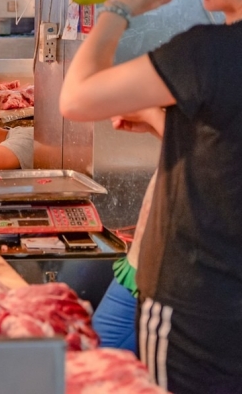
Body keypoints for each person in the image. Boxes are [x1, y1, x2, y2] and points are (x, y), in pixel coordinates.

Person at [59, 0, 242, 394]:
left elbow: (76, 98)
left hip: (196, 308)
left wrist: (119, 9)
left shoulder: (206, 50)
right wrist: (165, 122)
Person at [91, 107, 164, 354]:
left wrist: (151, 115)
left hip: (167, 273)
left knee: (102, 359)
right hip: (146, 262)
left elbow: (217, 150)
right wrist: (155, 123)